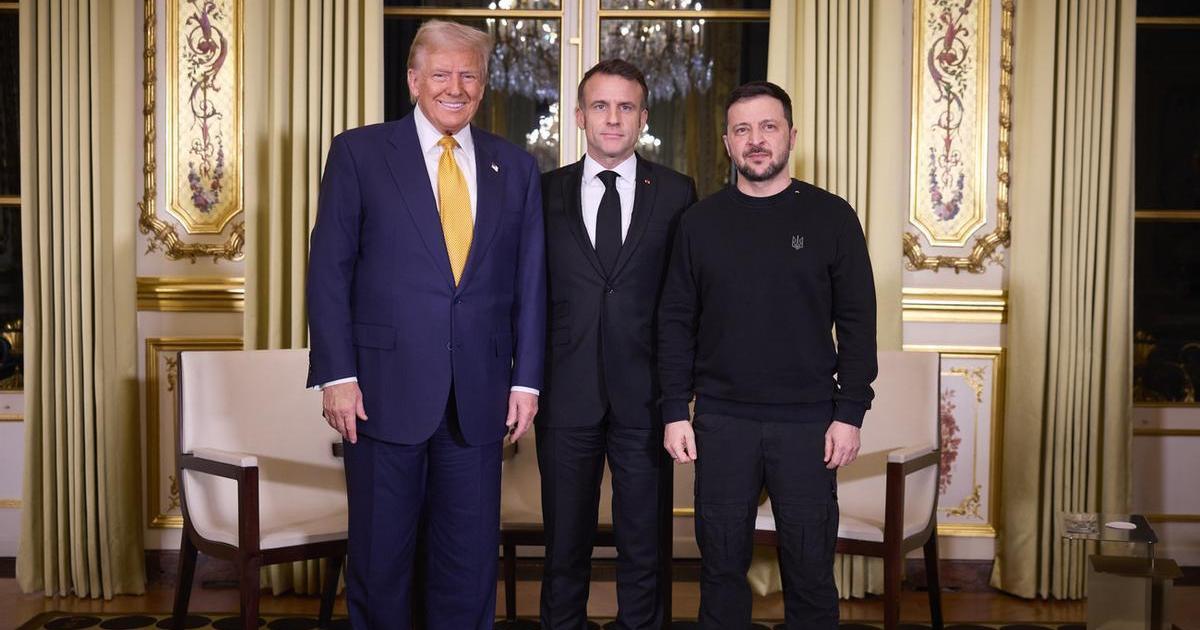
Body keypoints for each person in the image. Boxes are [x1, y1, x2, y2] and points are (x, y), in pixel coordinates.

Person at [306, 20, 545, 630]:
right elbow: (329, 271)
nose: (455, 88)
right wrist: (336, 376)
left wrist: (526, 381)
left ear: (483, 85)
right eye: (441, 74)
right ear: (414, 80)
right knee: (381, 561)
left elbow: (530, 283)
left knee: (467, 566)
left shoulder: (515, 167)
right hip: (380, 393)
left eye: (469, 75)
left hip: (479, 398)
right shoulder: (359, 154)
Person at [657, 80, 877, 629]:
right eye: (742, 129)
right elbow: (675, 321)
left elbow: (857, 322)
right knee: (720, 571)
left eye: (768, 127)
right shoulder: (699, 223)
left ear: (791, 136)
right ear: (728, 143)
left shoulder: (832, 217)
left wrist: (850, 413)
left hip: (809, 423)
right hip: (721, 421)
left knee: (810, 573)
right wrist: (673, 410)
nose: (756, 140)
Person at [536, 59, 697, 630]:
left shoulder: (676, 192)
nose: (613, 118)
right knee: (564, 548)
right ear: (579, 116)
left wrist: (680, 395)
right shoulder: (542, 191)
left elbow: (685, 299)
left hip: (647, 398)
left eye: (625, 107)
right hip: (564, 393)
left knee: (644, 547)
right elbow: (526, 294)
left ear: (643, 118)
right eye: (600, 106)